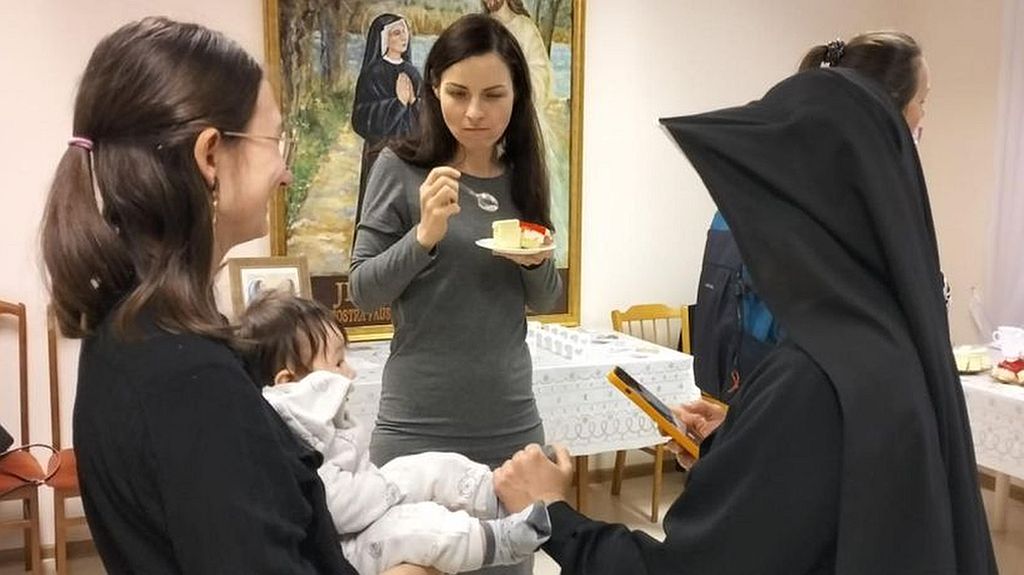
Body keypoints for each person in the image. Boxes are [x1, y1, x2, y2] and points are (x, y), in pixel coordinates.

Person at [493, 42, 997, 575]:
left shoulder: (811, 377)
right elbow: (822, 483)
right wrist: (740, 439)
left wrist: (550, 512)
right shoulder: (884, 339)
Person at [39, 17, 433, 575]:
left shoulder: (131, 328)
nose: (285, 173)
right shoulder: (191, 383)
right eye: (275, 142)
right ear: (210, 157)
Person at [349, 13, 563, 575]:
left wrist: (537, 261)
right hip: (415, 430)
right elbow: (363, 289)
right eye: (458, 93)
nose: (475, 112)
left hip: (510, 427)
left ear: (517, 96)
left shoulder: (522, 172)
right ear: (433, 88)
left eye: (494, 95)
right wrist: (423, 236)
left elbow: (545, 298)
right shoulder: (399, 167)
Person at [234, 290, 551, 575]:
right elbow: (337, 510)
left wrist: (390, 485)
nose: (350, 372)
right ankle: (501, 541)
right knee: (418, 525)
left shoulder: (316, 418)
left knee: (430, 465)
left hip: (366, 504)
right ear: (288, 383)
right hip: (343, 548)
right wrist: (391, 491)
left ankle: (498, 496)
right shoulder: (290, 437)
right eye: (338, 363)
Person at [693, 31, 930, 402]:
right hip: (793, 409)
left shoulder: (758, 192)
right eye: (921, 100)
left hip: (750, 395)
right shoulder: (840, 220)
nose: (923, 116)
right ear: (884, 110)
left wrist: (736, 420)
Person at [482, 0, 570, 266]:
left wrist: (513, 88)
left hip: (523, 121)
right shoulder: (483, 28)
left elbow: (540, 73)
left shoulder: (524, 28)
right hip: (487, 124)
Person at [351, 13, 423, 235]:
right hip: (379, 155)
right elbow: (360, 119)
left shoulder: (413, 73)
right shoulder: (372, 74)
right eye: (396, 33)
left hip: (410, 156)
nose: (404, 37)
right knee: (377, 215)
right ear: (384, 39)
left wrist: (414, 103)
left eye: (405, 32)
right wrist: (397, 104)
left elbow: (426, 120)